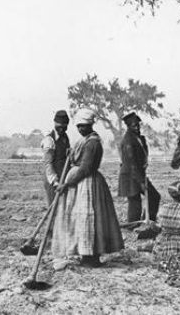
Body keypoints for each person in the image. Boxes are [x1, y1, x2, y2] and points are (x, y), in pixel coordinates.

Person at [51, 108, 124, 268]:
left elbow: (85, 168)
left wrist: (67, 184)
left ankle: (91, 256)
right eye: (78, 126)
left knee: (89, 218)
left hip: (87, 184)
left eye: (84, 126)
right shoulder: (85, 140)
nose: (80, 129)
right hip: (79, 183)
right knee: (80, 220)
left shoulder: (93, 143)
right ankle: (85, 253)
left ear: (90, 125)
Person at [118, 111, 161, 223]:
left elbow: (143, 155)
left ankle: (149, 221)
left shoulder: (139, 138)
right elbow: (132, 164)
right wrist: (141, 182)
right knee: (135, 202)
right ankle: (133, 224)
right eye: (134, 126)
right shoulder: (128, 141)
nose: (137, 127)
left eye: (138, 125)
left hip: (138, 173)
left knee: (154, 196)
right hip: (129, 175)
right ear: (128, 126)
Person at [40, 110, 71, 205]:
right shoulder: (49, 141)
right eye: (59, 125)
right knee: (54, 207)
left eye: (64, 126)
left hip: (63, 178)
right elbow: (48, 164)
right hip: (52, 180)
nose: (62, 128)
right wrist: (55, 182)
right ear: (55, 123)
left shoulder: (65, 137)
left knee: (63, 207)